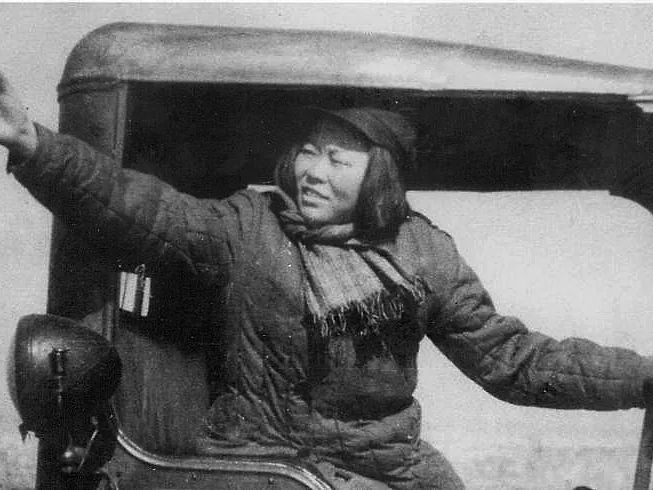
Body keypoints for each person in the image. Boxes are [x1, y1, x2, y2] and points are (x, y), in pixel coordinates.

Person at [1, 70, 653, 489]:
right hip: (258, 467)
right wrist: (34, 145)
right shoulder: (247, 226)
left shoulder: (425, 253)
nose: (312, 171)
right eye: (307, 152)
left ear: (380, 174)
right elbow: (144, 210)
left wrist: (643, 379)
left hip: (387, 470)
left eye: (337, 158)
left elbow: (513, 360)